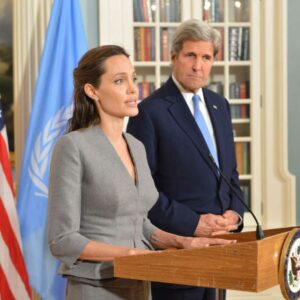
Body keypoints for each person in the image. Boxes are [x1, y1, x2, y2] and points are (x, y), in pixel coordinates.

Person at [47, 45, 234, 300]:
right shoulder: (72, 147)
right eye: (119, 81)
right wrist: (132, 254)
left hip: (139, 283)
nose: (133, 89)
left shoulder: (135, 145)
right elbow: (62, 240)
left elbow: (140, 225)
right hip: (96, 288)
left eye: (133, 78)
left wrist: (183, 242)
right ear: (92, 91)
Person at [127, 19, 245, 300]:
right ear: (173, 58)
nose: (198, 66)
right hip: (178, 250)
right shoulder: (149, 112)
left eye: (206, 57)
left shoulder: (220, 105)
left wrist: (235, 214)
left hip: (221, 247)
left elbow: (231, 173)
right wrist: (193, 224)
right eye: (190, 55)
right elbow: (143, 191)